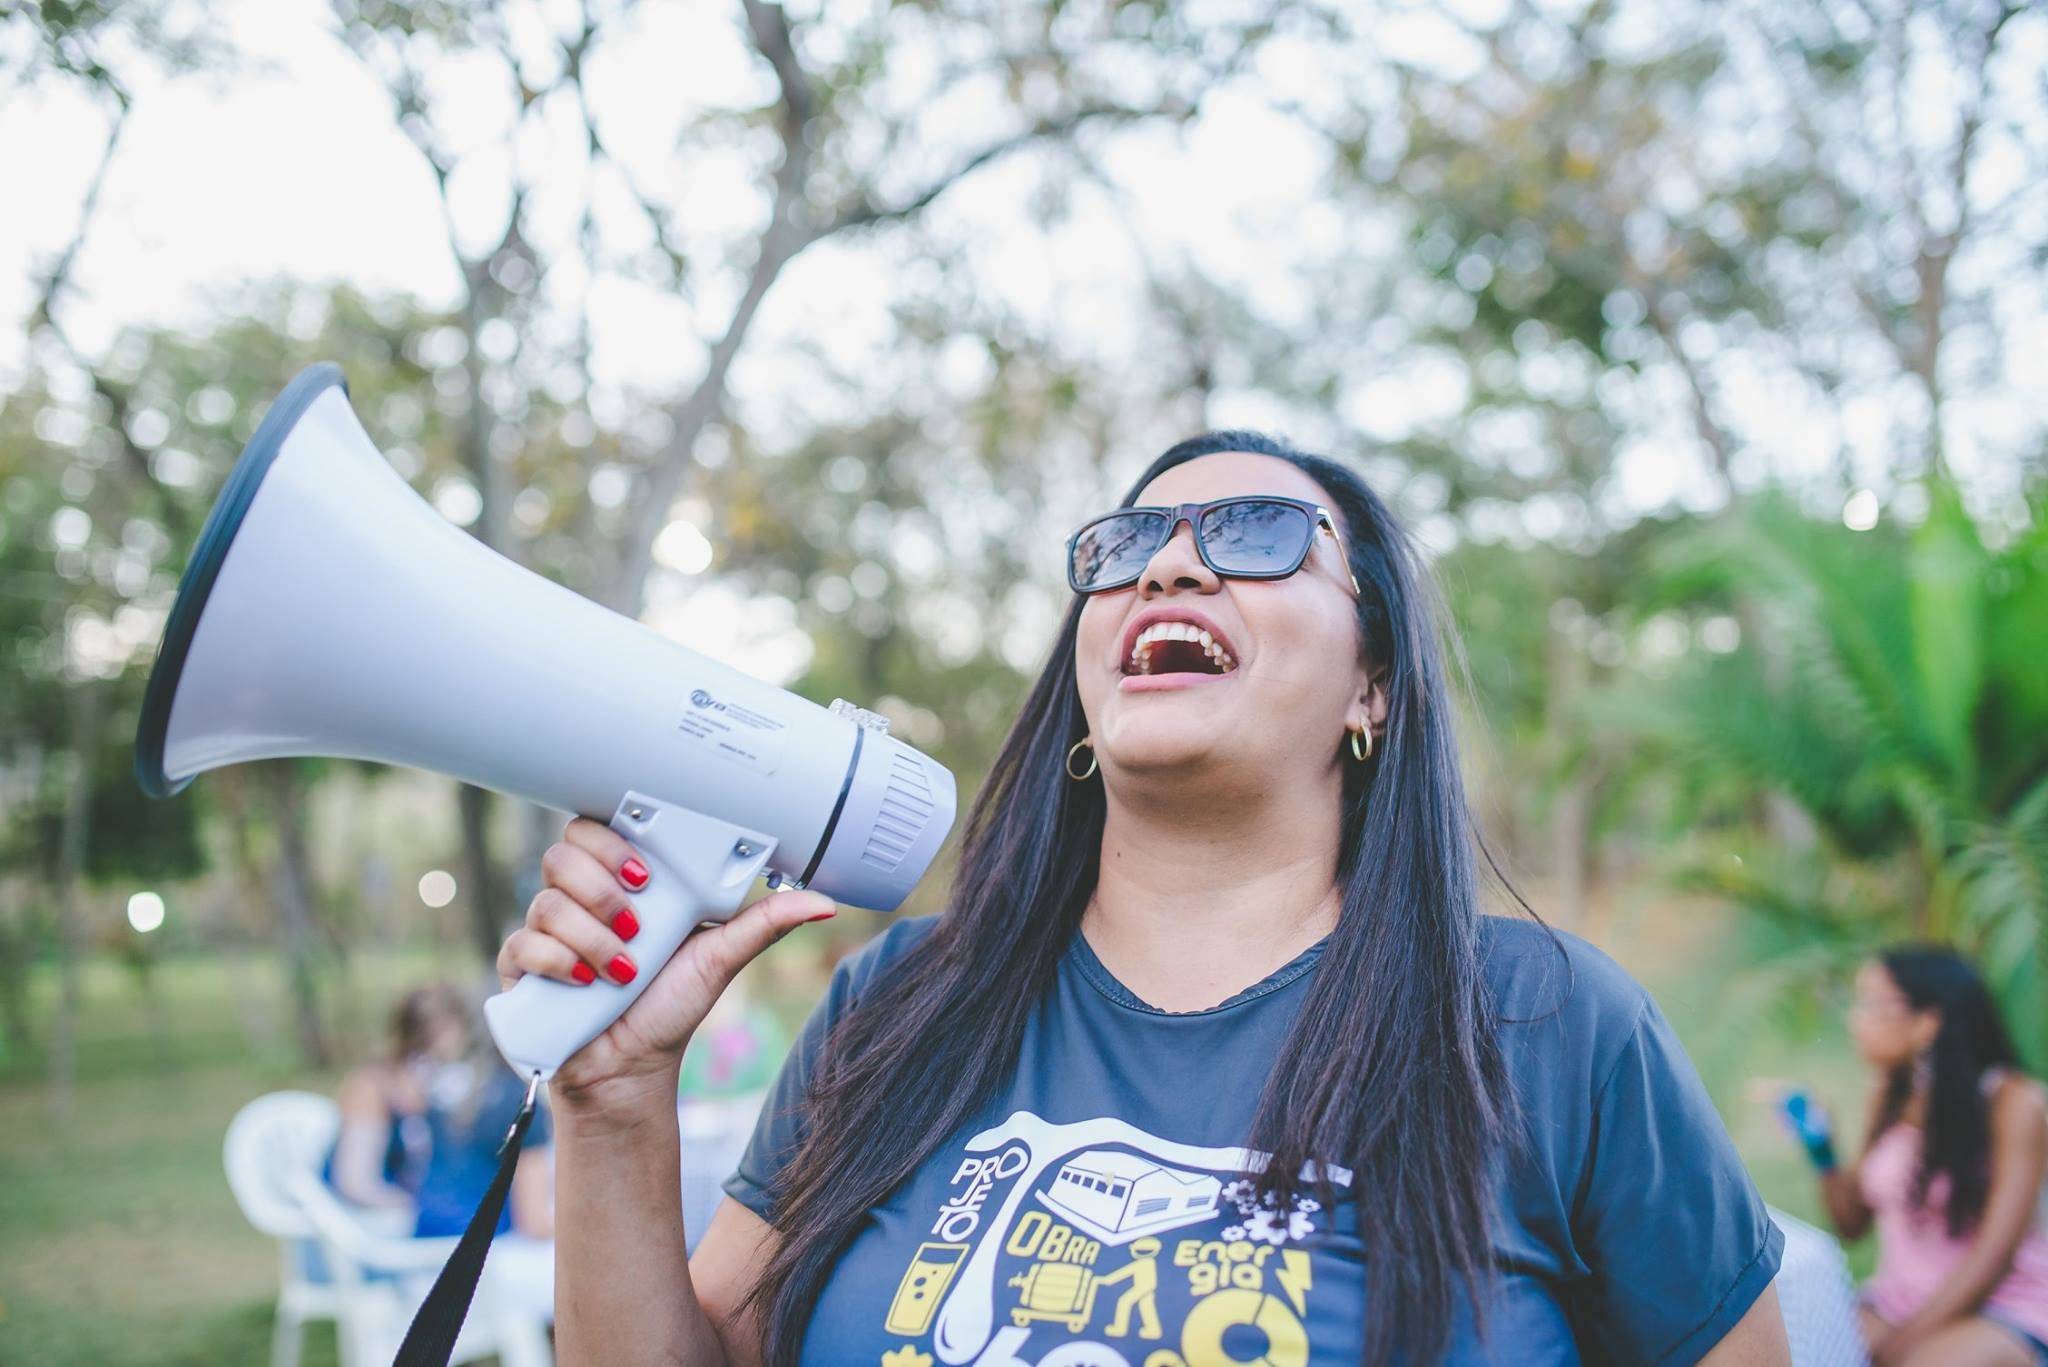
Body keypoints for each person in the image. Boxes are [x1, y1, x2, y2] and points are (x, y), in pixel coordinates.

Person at [497, 432, 1791, 1364]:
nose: (1167, 568)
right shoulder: (898, 1003)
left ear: (1371, 688)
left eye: (1257, 533)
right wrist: (612, 1106)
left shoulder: (1552, 1027)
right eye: (1125, 546)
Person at [1779, 946, 2048, 1366]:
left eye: (1871, 1003)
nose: (1855, 1019)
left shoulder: (2013, 1102)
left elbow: (1996, 1254)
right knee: (1791, 1344)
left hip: (2000, 1307)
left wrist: (1902, 1344)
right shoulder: (1890, 1095)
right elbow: (1852, 1224)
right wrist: (1822, 1149)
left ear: (1928, 1022)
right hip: (1898, 1304)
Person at [328, 982, 555, 1241]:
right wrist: (411, 1208)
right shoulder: (371, 1088)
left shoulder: (456, 1089)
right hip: (371, 1224)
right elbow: (354, 1182)